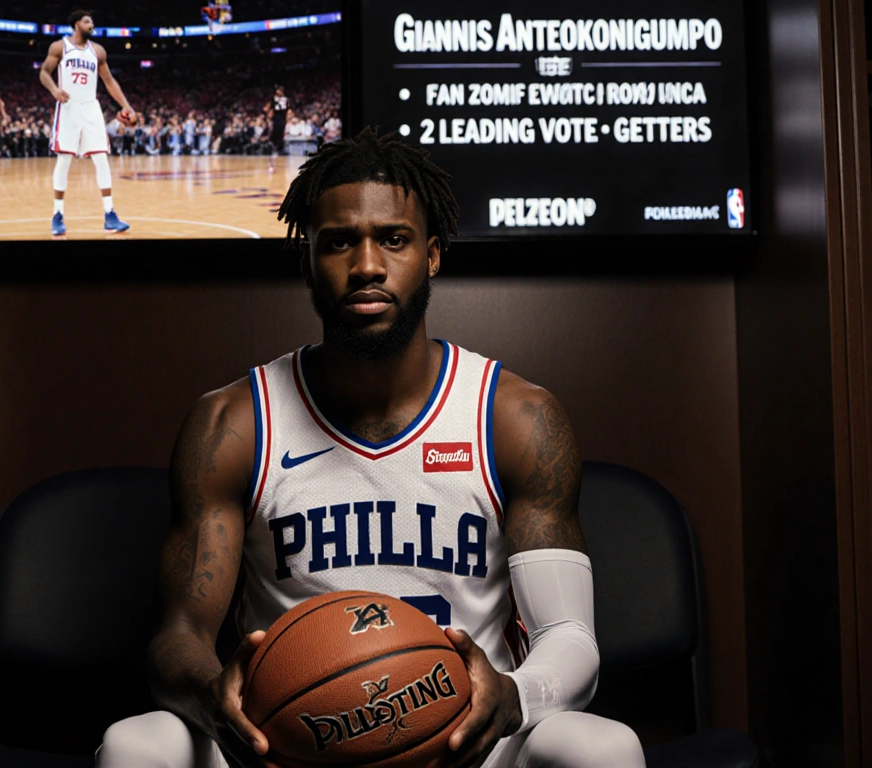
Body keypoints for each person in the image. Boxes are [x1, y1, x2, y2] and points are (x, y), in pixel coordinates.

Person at [95, 127, 647, 768]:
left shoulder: (515, 418)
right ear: (308, 258)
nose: (366, 265)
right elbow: (178, 635)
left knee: (605, 747)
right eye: (338, 242)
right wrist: (214, 696)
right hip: (290, 747)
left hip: (467, 749)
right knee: (138, 743)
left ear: (432, 255)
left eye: (393, 238)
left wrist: (512, 697)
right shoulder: (234, 424)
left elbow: (570, 638)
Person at [38, 9, 136, 236]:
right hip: (69, 106)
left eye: (92, 20)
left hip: (91, 107)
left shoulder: (98, 51)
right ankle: (57, 215)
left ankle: (110, 214)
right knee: (64, 160)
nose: (91, 24)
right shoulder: (59, 46)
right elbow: (44, 72)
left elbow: (109, 82)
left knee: (102, 159)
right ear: (76, 24)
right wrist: (54, 89)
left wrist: (126, 106)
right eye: (86, 21)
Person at [269, 85, 288, 156]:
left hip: (282, 118)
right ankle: (273, 146)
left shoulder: (285, 99)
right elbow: (271, 108)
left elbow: (286, 109)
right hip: (276, 117)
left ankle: (280, 148)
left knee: (281, 133)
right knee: (275, 131)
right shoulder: (273, 98)